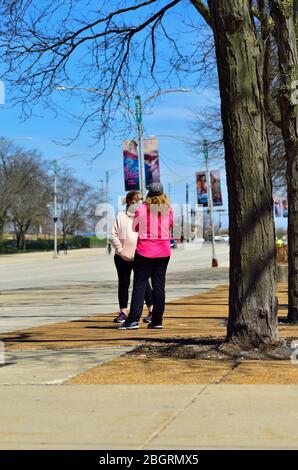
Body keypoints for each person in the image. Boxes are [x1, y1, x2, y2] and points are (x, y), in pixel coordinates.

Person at [118, 182, 173, 330]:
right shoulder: (168, 209)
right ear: (162, 194)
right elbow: (170, 225)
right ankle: (157, 320)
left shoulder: (142, 209)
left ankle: (133, 320)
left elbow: (135, 227)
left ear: (149, 194)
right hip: (163, 252)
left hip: (145, 252)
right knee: (159, 287)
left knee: (140, 285)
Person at [111, 190, 153, 324]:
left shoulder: (144, 216)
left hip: (140, 255)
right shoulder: (120, 217)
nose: (139, 203)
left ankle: (151, 310)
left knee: (144, 283)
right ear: (129, 202)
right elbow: (113, 235)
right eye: (135, 201)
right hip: (122, 256)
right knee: (123, 283)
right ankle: (123, 311)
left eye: (140, 200)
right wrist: (120, 250)